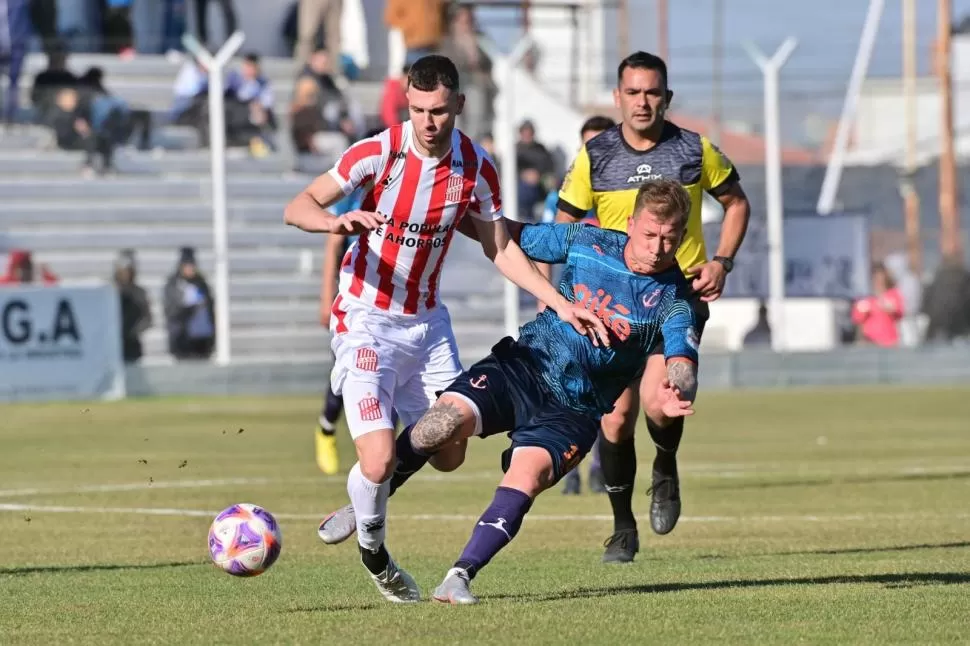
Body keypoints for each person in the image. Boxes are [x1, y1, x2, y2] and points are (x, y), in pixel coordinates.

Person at [283, 54, 606, 603]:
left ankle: (368, 490)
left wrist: (559, 303)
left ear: (458, 104)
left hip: (428, 327)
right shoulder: (378, 152)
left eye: (437, 111)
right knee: (380, 459)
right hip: (366, 318)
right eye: (416, 110)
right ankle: (375, 550)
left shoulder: (477, 167)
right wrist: (335, 221)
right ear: (406, 103)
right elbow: (299, 205)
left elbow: (498, 247)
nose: (426, 122)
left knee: (451, 454)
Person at [315, 179, 699, 604]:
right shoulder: (588, 240)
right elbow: (513, 235)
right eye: (649, 235)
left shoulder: (675, 300)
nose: (658, 248)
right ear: (631, 224)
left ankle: (459, 577)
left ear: (682, 235)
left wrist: (678, 386)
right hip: (525, 365)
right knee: (437, 425)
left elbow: (682, 357)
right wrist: (450, 215)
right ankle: (365, 502)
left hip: (575, 409)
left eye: (669, 238)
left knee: (527, 477)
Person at [552, 51, 750, 563]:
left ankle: (665, 464)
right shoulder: (595, 156)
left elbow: (736, 202)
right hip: (613, 309)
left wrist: (722, 261)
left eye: (653, 92)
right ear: (617, 97)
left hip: (676, 302)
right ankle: (622, 527)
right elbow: (564, 225)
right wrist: (569, 296)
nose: (643, 102)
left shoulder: (693, 149)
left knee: (663, 404)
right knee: (615, 421)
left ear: (667, 97)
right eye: (633, 92)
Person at [555, 115, 615, 496]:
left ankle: (599, 466)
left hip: (616, 307)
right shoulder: (567, 194)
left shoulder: (623, 196)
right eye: (586, 146)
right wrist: (551, 297)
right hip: (577, 303)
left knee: (613, 399)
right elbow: (552, 240)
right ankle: (571, 467)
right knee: (573, 388)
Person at [851, 263, 903, 347]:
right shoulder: (864, 296)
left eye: (881, 276)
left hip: (889, 342)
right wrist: (862, 310)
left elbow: (900, 313)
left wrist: (890, 308)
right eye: (875, 276)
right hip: (869, 342)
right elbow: (856, 318)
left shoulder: (893, 294)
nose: (878, 279)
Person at [114, 249, 152, 363]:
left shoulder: (139, 292)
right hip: (114, 345)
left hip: (132, 346)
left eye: (128, 270)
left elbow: (148, 318)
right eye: (122, 270)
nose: (125, 274)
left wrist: (134, 331)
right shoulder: (111, 293)